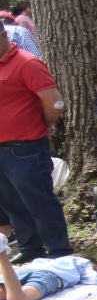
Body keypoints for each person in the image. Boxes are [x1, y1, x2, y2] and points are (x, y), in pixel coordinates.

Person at [0, 26, 68, 266]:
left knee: (38, 199)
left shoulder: (27, 63)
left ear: (4, 36)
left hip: (25, 146)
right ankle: (31, 247)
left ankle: (58, 248)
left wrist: (38, 126)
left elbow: (53, 102)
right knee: (10, 201)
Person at [0, 246, 97, 300]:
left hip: (27, 270)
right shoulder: (83, 263)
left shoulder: (52, 261)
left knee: (6, 291)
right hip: (48, 277)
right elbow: (94, 278)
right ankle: (2, 253)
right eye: (94, 269)